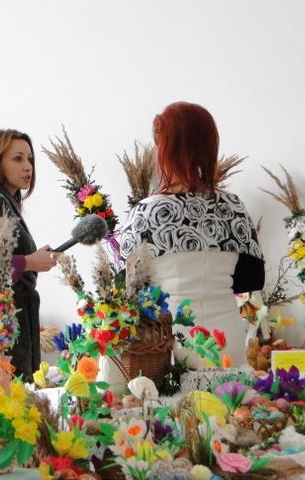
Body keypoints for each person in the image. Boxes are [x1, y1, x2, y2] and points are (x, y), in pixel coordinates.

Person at [119, 101, 264, 367]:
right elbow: (254, 278)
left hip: (172, 340)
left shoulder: (146, 212)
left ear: (164, 148)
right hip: (227, 340)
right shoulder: (233, 206)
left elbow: (127, 288)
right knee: (233, 394)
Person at [0, 129, 59, 381]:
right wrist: (29, 262)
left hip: (10, 315)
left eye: (30, 159)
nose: (28, 167)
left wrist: (32, 260)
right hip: (2, 318)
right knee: (9, 392)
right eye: (17, 159)